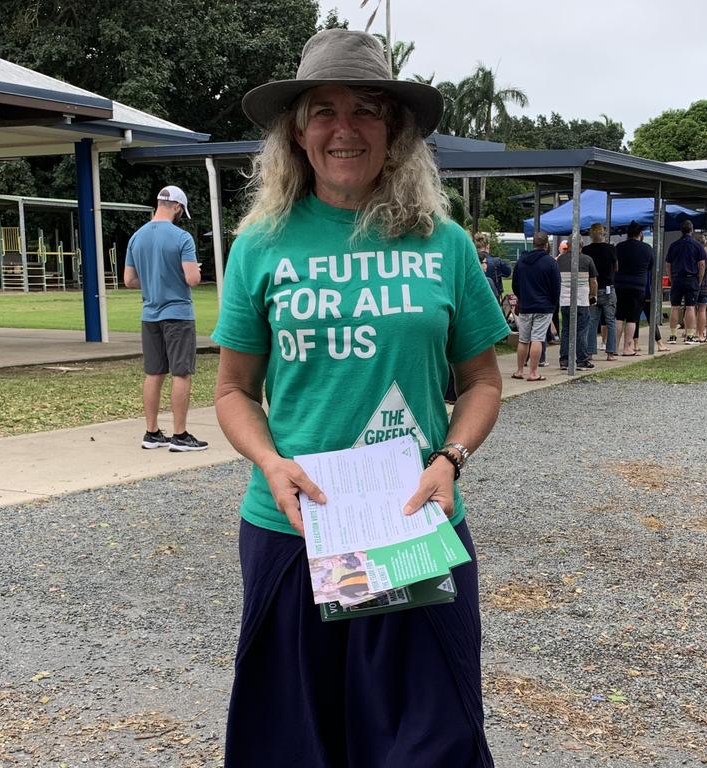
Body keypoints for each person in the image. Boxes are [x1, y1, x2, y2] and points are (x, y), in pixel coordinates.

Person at [212, 30, 507, 768]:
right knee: (293, 737)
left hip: (411, 525)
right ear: (297, 134)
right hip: (294, 528)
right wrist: (268, 461)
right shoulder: (260, 244)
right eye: (323, 110)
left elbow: (480, 382)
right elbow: (232, 391)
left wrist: (450, 456)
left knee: (426, 738)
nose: (345, 127)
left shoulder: (443, 244)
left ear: (396, 132)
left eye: (367, 109)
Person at [123, 185, 208, 452]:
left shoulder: (136, 238)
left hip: (150, 314)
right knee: (181, 373)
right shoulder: (182, 238)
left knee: (153, 372)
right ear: (178, 208)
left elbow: (129, 280)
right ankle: (180, 435)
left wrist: (152, 279)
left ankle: (151, 432)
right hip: (178, 314)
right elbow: (193, 278)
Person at [512, 232, 560, 381]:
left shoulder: (521, 261)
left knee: (523, 339)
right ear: (546, 245)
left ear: (533, 244)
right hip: (544, 306)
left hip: (526, 305)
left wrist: (522, 297)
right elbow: (556, 286)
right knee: (537, 338)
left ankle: (520, 370)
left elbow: (515, 284)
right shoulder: (550, 262)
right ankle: (533, 372)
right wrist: (552, 303)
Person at [614, 221, 654, 356]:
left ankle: (614, 347)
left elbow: (615, 265)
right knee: (632, 318)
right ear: (640, 234)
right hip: (638, 286)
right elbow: (650, 266)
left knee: (619, 316)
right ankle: (627, 348)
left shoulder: (619, 247)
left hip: (620, 284)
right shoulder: (647, 248)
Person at [557, 237, 597, 370]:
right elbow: (593, 281)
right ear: (582, 245)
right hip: (582, 300)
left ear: (567, 246)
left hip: (565, 300)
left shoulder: (560, 260)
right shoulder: (587, 259)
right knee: (582, 330)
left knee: (566, 330)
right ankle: (581, 360)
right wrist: (593, 295)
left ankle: (564, 360)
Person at [664, 219, 706, 345]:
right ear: (692, 230)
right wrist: (699, 279)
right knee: (690, 307)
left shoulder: (674, 245)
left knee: (675, 307)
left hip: (677, 278)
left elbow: (668, 264)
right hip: (691, 278)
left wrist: (671, 278)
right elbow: (702, 264)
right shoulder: (697, 245)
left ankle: (672, 335)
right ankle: (690, 336)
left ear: (681, 231)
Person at [583, 222, 618, 360]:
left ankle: (590, 352)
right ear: (603, 234)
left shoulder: (586, 250)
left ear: (591, 235)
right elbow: (616, 267)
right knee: (610, 321)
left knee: (592, 321)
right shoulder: (611, 249)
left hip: (591, 289)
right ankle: (610, 352)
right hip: (608, 288)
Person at [475, 231, 511, 302]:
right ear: (487, 246)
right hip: (494, 299)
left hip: (477, 299)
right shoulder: (496, 261)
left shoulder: (472, 262)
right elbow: (508, 272)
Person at [695, 233, 707, 342]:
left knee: (692, 309)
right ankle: (700, 334)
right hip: (705, 285)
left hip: (695, 284)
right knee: (702, 310)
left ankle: (691, 333)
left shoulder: (695, 254)